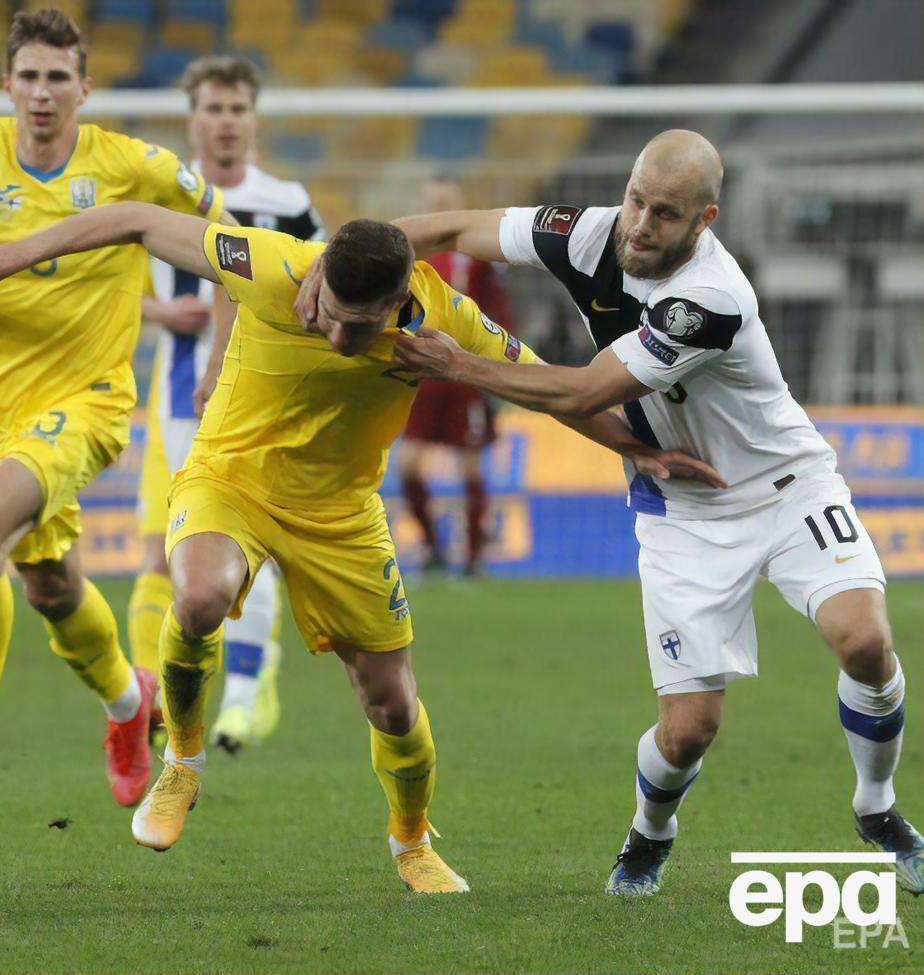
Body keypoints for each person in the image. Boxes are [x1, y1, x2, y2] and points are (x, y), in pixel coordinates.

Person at [0, 201, 723, 893]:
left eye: (358, 326)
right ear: (317, 273)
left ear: (399, 300)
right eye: (327, 309)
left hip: (339, 512)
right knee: (196, 596)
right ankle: (183, 761)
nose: (337, 334)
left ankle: (412, 840)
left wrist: (638, 450)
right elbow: (130, 220)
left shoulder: (441, 318)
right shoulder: (269, 262)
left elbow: (547, 382)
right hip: (228, 477)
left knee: (392, 702)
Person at [370, 128, 921, 896]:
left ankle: (877, 805)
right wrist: (352, 259)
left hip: (789, 487)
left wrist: (456, 363)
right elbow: (457, 229)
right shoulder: (588, 232)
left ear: (705, 221)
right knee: (690, 728)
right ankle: (649, 833)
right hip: (683, 509)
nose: (639, 224)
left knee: (864, 639)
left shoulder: (711, 297)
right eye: (635, 200)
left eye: (665, 214)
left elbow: (585, 392)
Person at [0, 8, 226, 808]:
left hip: (88, 404)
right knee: (51, 586)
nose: (44, 92)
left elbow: (231, 245)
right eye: (30, 76)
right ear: (7, 84)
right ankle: (131, 708)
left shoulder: (133, 166)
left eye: (60, 77)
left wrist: (224, 354)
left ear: (85, 88)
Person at [132, 55, 325, 755]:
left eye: (237, 109)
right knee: (174, 551)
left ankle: (245, 693)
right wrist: (162, 312)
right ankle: (165, 692)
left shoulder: (288, 200)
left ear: (254, 118)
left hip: (265, 395)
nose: (225, 123)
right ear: (193, 120)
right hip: (184, 397)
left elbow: (324, 283)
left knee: (252, 549)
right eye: (213, 109)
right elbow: (108, 283)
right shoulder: (160, 192)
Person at [396, 176, 514, 575]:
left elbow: (498, 306)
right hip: (424, 375)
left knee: (470, 467)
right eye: (432, 201)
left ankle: (473, 558)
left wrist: (499, 364)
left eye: (445, 201)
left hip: (466, 374)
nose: (438, 208)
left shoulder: (474, 253)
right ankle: (431, 546)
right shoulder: (410, 254)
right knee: (408, 465)